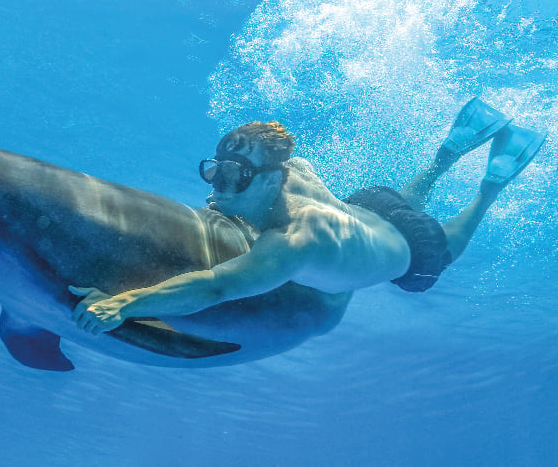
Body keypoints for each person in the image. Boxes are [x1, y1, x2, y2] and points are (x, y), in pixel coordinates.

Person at [71, 98, 547, 335]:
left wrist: (125, 305)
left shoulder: (290, 243)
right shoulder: (294, 168)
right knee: (398, 206)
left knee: (444, 247)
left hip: (410, 250)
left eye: (235, 175)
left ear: (270, 180)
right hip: (371, 207)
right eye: (215, 170)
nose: (217, 185)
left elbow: (213, 286)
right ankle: (448, 154)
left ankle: (492, 184)